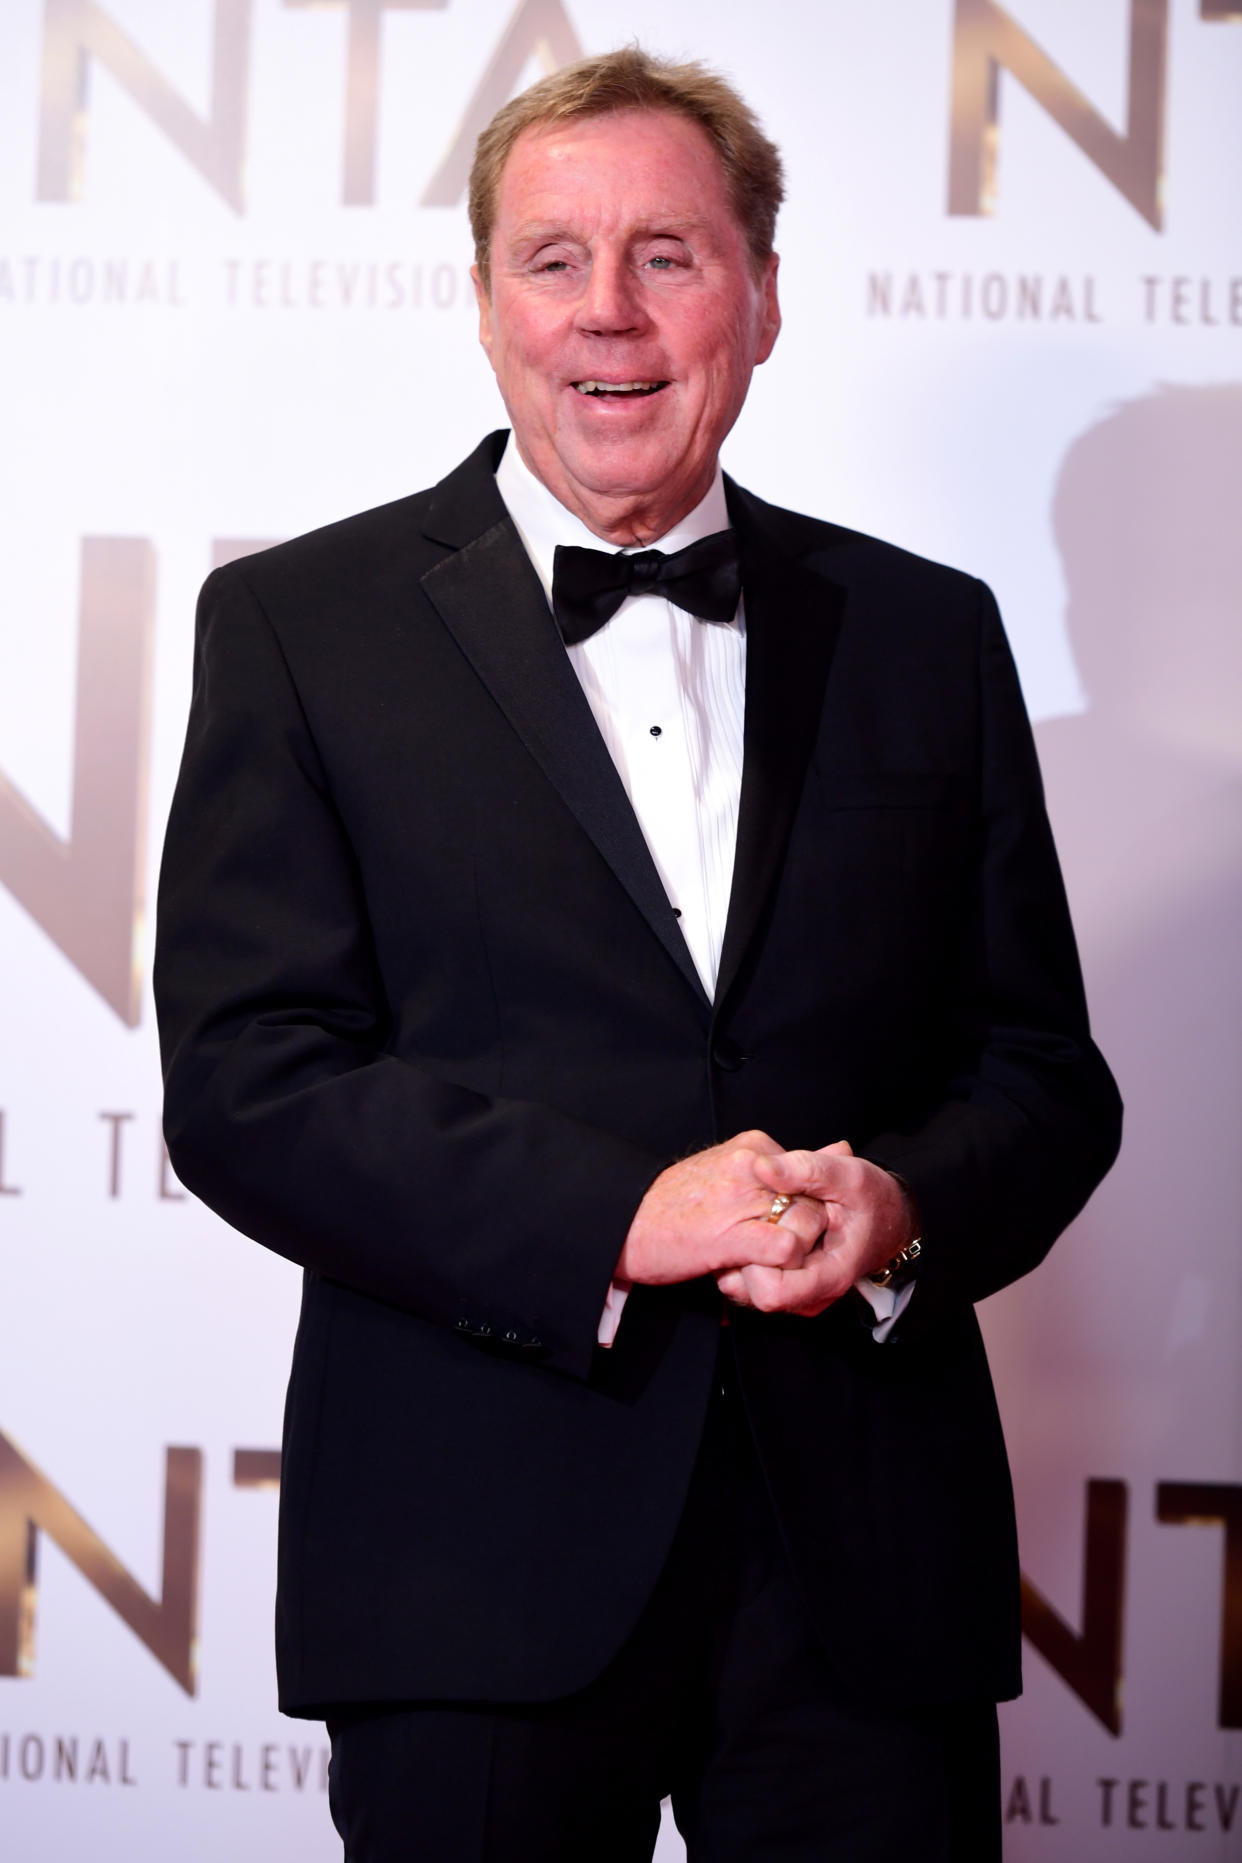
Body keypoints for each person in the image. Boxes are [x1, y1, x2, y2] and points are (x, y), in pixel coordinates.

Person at [154, 48, 1121, 1863]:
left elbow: (1039, 1076)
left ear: (760, 298)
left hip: (860, 1574)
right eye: (552, 259)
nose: (608, 313)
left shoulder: (924, 634)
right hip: (471, 1559)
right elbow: (247, 1077)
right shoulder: (300, 630)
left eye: (669, 255)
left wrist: (897, 1209)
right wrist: (617, 1215)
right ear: (482, 303)